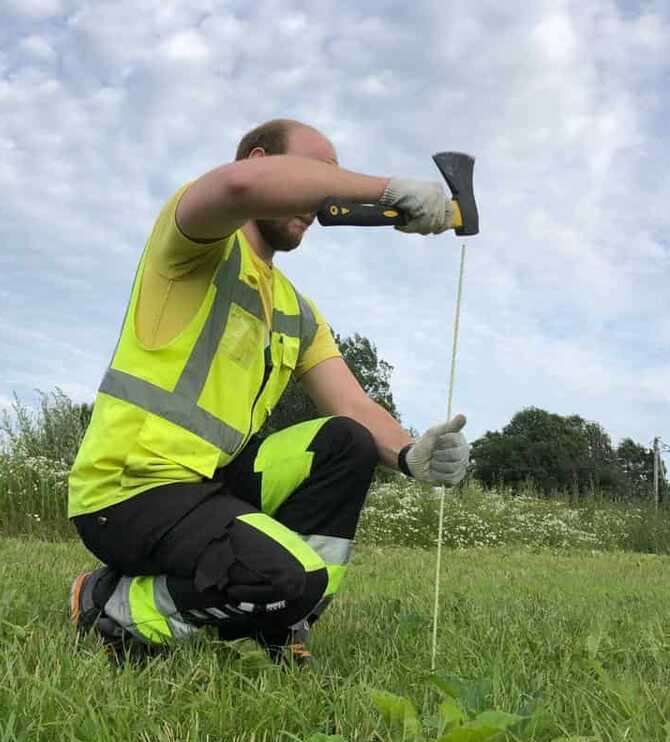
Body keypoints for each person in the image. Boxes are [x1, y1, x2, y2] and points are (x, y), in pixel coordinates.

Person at [67, 118, 469, 664]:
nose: (324, 193)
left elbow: (351, 404)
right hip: (131, 491)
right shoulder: (193, 240)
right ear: (260, 161)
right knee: (289, 577)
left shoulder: (297, 311)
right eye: (315, 174)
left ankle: (281, 621)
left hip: (212, 485)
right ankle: (110, 605)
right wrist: (380, 187)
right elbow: (237, 188)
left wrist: (409, 454)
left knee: (345, 441)